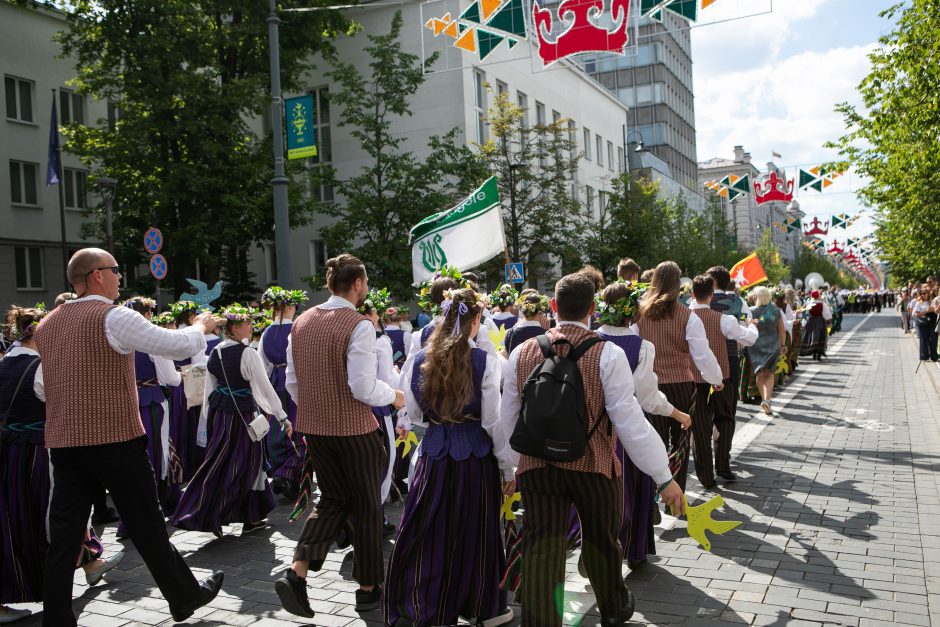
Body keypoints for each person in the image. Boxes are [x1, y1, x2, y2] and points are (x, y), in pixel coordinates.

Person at [32, 248, 223, 626]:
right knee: (146, 523)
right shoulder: (112, 315)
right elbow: (177, 346)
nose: (120, 276)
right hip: (113, 437)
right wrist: (201, 327)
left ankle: (56, 617)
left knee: (66, 531)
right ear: (95, 275)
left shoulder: (47, 325)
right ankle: (184, 597)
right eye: (115, 269)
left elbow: (42, 387)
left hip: (65, 441)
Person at [500, 272, 685, 626]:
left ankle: (541, 620)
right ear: (592, 309)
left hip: (537, 467)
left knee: (542, 545)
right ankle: (613, 607)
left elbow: (508, 417)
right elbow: (630, 423)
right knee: (602, 539)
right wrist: (664, 477)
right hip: (594, 465)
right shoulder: (608, 354)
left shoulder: (521, 352)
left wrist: (508, 468)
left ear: (552, 307)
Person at [274, 254, 405, 618]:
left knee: (331, 499)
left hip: (315, 428)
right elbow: (361, 386)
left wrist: (317, 410)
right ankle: (367, 588)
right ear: (359, 283)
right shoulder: (358, 324)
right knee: (365, 506)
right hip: (353, 430)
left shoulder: (302, 321)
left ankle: (297, 573)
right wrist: (394, 397)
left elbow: (292, 383)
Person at [385, 287, 515, 627]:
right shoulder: (484, 361)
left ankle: (432, 606)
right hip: (474, 458)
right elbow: (491, 422)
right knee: (478, 533)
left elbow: (412, 413)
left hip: (434, 456)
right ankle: (485, 609)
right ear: (474, 321)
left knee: (431, 532)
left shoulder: (419, 360)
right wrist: (508, 467)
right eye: (479, 320)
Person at [0, 305, 125, 624]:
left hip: (9, 452)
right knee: (57, 511)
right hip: (40, 452)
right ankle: (81, 568)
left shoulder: (4, 363)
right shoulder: (42, 366)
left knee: (14, 518)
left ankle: (91, 563)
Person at [593, 281, 690, 568]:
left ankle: (597, 546)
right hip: (627, 430)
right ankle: (632, 549)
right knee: (632, 491)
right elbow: (647, 398)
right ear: (633, 310)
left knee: (596, 494)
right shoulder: (641, 347)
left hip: (593, 430)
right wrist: (676, 413)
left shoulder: (590, 339)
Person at [171, 304, 289, 538]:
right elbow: (263, 388)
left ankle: (226, 511)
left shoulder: (217, 352)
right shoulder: (248, 354)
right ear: (234, 328)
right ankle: (244, 514)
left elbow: (209, 390)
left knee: (222, 461)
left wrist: (206, 421)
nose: (250, 326)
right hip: (243, 415)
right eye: (246, 323)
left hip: (221, 415)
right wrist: (281, 415)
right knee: (249, 460)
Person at [635, 261, 723, 491]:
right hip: (681, 385)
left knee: (652, 443)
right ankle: (677, 495)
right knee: (681, 442)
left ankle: (652, 498)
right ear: (677, 284)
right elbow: (702, 354)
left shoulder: (639, 314)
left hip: (649, 385)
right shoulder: (688, 316)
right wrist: (716, 379)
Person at [121, 297, 185, 529]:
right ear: (146, 315)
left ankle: (133, 512)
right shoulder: (150, 341)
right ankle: (155, 504)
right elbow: (169, 378)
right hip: (152, 402)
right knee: (156, 452)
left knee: (132, 455)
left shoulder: (120, 339)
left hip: (127, 403)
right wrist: (180, 376)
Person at [688, 276, 758, 486]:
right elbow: (748, 338)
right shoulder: (723, 319)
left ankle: (706, 477)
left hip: (693, 378)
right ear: (711, 294)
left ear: (692, 294)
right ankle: (723, 466)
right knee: (725, 418)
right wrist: (752, 325)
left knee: (699, 427)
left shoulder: (684, 317)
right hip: (721, 376)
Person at [258, 286, 308, 501]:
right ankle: (288, 474)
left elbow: (263, 365)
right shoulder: (298, 329)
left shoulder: (267, 332)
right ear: (288, 307)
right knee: (300, 430)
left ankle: (281, 471)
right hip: (296, 383)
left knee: (278, 429)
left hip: (276, 384)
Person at [746, 286, 786, 415]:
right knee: (770, 373)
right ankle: (767, 399)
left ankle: (763, 398)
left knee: (760, 373)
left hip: (755, 345)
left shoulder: (751, 311)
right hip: (773, 344)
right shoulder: (775, 310)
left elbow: (744, 325)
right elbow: (781, 330)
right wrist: (783, 345)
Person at [800, 290, 832, 362]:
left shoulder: (809, 303)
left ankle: (814, 353)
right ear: (818, 296)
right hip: (820, 321)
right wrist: (829, 320)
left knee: (812, 336)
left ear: (812, 296)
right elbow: (826, 314)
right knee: (820, 336)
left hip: (811, 321)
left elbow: (806, 313)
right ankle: (819, 354)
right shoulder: (822, 304)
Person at [912, 287, 938, 362]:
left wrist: (933, 310)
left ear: (928, 294)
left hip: (931, 323)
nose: (922, 295)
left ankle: (934, 356)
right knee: (923, 340)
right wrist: (926, 311)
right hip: (922, 323)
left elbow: (936, 311)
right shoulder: (918, 303)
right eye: (921, 293)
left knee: (933, 340)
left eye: (924, 293)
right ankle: (924, 356)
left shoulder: (932, 301)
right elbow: (917, 314)